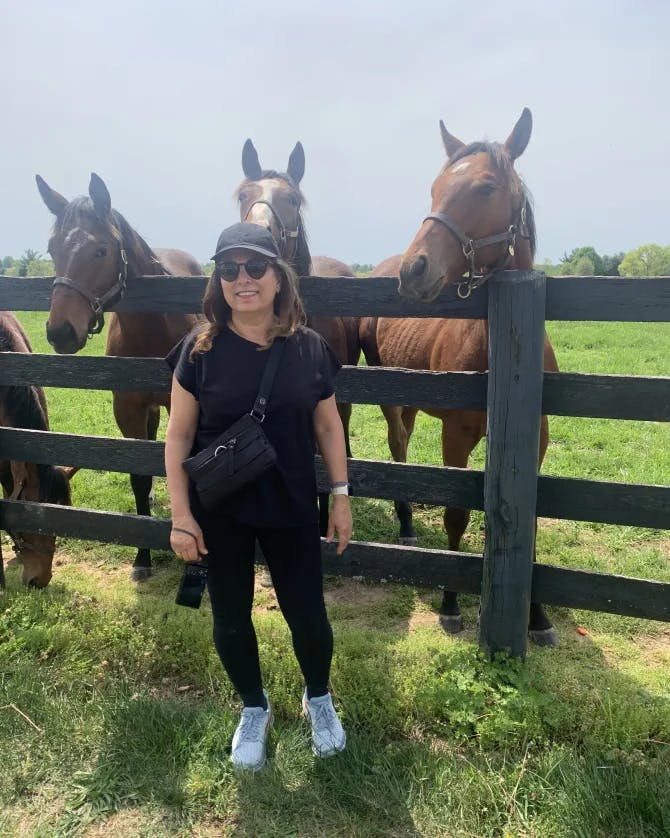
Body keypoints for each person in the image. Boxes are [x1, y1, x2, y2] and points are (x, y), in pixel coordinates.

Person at [164, 222, 352, 771]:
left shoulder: (310, 348)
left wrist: (340, 495)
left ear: (279, 277)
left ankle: (318, 698)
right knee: (229, 618)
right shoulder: (196, 351)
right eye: (229, 268)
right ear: (218, 280)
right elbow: (177, 435)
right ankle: (253, 707)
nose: (242, 279)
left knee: (309, 616)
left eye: (255, 267)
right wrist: (180, 515)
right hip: (219, 510)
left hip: (291, 505)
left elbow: (329, 426)